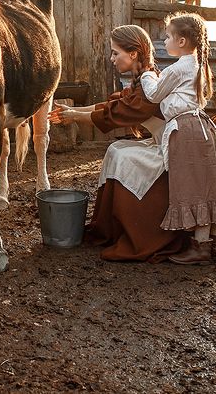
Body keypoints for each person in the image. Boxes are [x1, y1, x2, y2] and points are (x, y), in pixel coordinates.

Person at [48, 25, 186, 262]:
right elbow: (112, 105)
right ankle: (111, 227)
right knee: (116, 150)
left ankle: (139, 232)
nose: (112, 59)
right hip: (160, 142)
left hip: (171, 149)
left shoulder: (149, 81)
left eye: (115, 53)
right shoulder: (143, 77)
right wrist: (74, 111)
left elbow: (119, 112)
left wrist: (75, 116)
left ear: (133, 54)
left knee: (122, 156)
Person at [140, 12, 216, 265]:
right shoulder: (197, 64)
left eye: (168, 36)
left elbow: (154, 95)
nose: (165, 40)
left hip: (185, 130)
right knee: (209, 187)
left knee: (193, 189)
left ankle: (200, 248)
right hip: (201, 127)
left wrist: (147, 74)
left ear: (182, 41)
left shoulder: (179, 67)